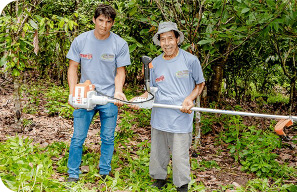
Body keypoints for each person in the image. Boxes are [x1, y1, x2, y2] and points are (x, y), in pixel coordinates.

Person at [130, 21, 205, 192]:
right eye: (162, 39)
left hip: (181, 115)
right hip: (160, 115)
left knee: (179, 155)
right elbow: (151, 91)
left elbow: (200, 84)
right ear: (159, 41)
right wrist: (138, 100)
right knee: (158, 152)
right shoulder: (154, 63)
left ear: (177, 39)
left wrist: (190, 99)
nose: (167, 43)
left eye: (170, 38)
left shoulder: (191, 60)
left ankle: (182, 184)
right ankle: (159, 178)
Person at [66, 4, 131, 182]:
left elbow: (120, 71)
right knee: (78, 137)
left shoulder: (120, 44)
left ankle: (104, 172)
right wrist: (73, 93)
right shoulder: (81, 40)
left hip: (108, 97)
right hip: (85, 95)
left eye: (108, 22)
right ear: (94, 20)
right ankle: (73, 173)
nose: (104, 25)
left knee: (108, 137)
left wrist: (118, 91)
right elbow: (73, 68)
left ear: (112, 23)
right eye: (100, 20)